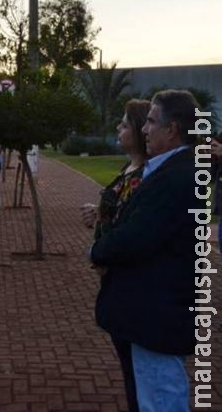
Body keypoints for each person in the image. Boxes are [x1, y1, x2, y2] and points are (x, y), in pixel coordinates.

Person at [90, 90, 201, 411]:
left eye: (151, 121)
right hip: (148, 313)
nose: (144, 129)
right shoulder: (168, 170)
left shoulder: (176, 177)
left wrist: (96, 251)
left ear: (172, 130)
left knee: (158, 398)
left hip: (157, 316)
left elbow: (137, 235)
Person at [79, 99, 150, 412]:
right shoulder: (129, 168)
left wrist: (102, 246)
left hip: (130, 281)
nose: (118, 129)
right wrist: (99, 214)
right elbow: (121, 209)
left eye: (124, 124)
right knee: (128, 365)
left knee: (140, 372)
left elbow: (134, 226)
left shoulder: (147, 174)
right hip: (113, 278)